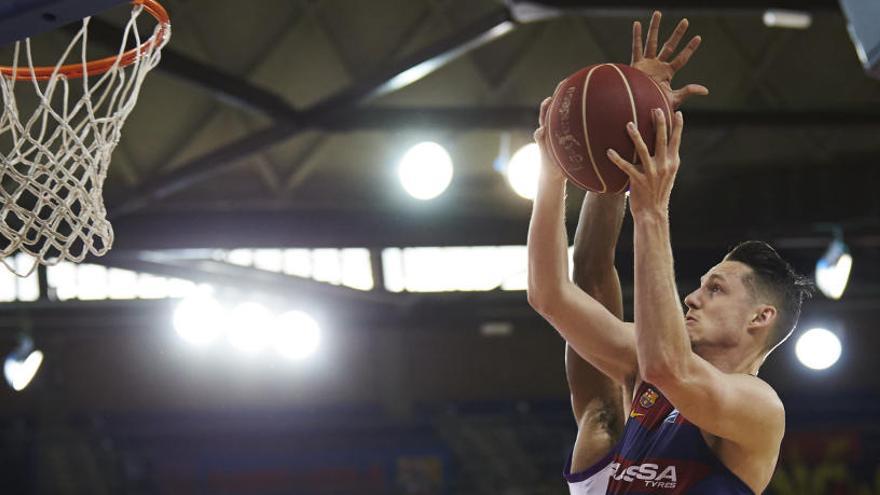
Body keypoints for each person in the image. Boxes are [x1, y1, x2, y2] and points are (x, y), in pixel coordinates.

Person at [528, 11, 814, 494]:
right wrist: (553, 171)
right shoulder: (646, 371)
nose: (692, 298)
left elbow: (670, 367)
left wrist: (652, 211)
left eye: (715, 289)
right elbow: (548, 293)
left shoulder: (759, 408)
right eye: (701, 285)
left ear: (760, 317)